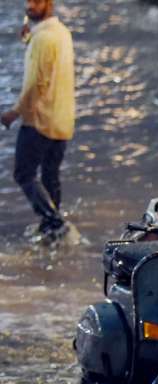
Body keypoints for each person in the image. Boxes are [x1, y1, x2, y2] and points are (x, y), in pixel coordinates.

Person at [1, 0, 74, 242]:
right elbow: (48, 66)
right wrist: (28, 41)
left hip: (40, 121)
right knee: (50, 175)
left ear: (49, 4)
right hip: (62, 121)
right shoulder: (61, 33)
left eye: (36, 1)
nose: (29, 5)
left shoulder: (42, 40)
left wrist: (14, 112)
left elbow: (36, 84)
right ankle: (52, 229)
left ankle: (54, 222)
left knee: (24, 173)